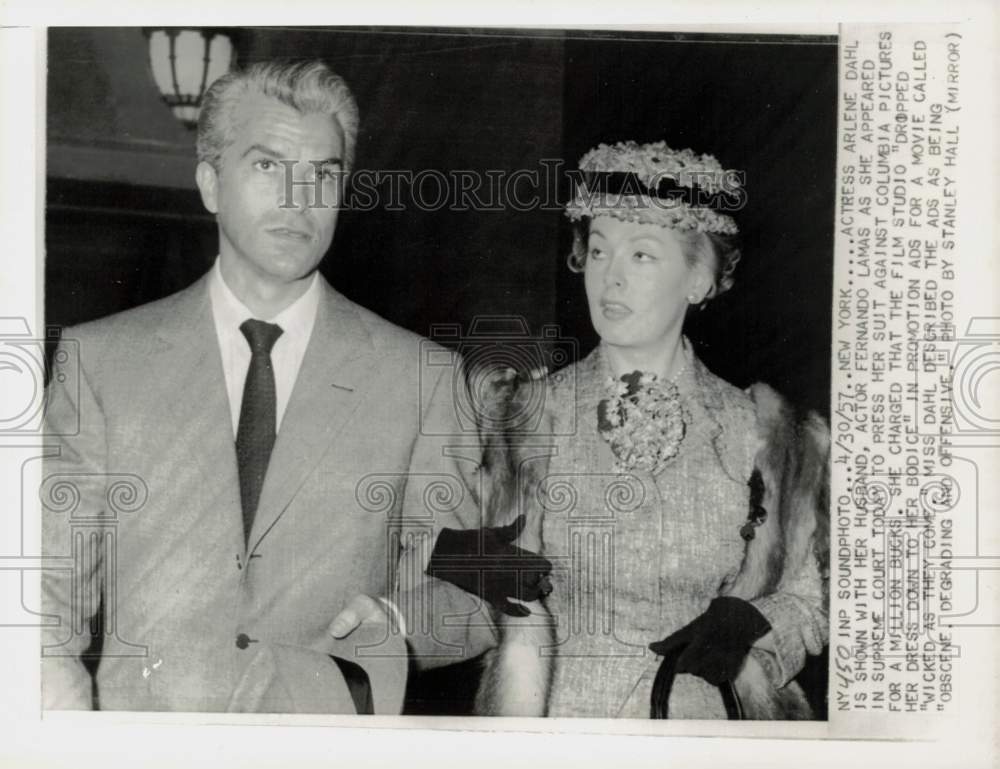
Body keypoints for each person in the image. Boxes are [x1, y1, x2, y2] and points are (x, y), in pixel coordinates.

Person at [39, 60, 529, 712]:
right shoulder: (100, 362)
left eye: (323, 174)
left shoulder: (423, 378)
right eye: (268, 166)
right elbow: (44, 601)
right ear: (211, 183)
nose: (300, 199)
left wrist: (397, 622)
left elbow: (472, 601)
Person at [472, 141, 830, 719]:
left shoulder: (769, 434)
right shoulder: (524, 418)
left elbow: (809, 604)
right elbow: (477, 599)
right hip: (559, 729)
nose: (609, 278)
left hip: (709, 730)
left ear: (700, 278)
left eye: (641, 256)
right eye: (598, 250)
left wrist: (753, 624)